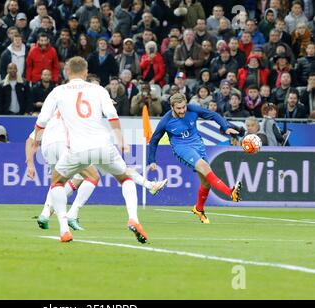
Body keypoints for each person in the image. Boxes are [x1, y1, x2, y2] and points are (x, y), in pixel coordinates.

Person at [33, 56, 163, 243]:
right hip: (103, 145)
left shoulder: (58, 91)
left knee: (57, 183)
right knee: (125, 177)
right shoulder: (98, 89)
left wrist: (37, 140)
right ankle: (133, 218)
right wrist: (121, 141)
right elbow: (112, 116)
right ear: (86, 73)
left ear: (67, 72)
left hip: (76, 149)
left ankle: (63, 229)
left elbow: (42, 121)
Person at [148, 93, 242, 224]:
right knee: (205, 167)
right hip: (182, 148)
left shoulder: (192, 109)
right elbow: (154, 140)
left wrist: (226, 127)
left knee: (206, 183)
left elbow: (213, 115)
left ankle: (199, 209)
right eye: (178, 108)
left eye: (183, 107)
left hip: (198, 145)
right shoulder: (166, 121)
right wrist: (151, 160)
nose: (182, 111)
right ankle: (231, 193)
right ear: (172, 107)